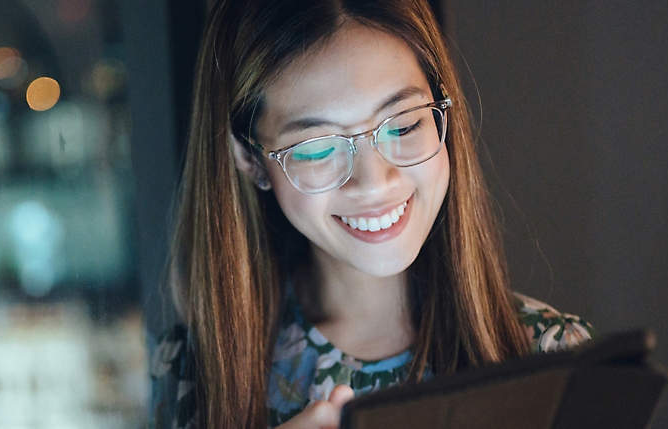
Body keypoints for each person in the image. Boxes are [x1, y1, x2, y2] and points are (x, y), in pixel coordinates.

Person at [148, 0, 595, 428]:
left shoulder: (555, 360)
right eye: (319, 148)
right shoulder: (195, 374)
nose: (375, 182)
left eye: (403, 125)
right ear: (250, 160)